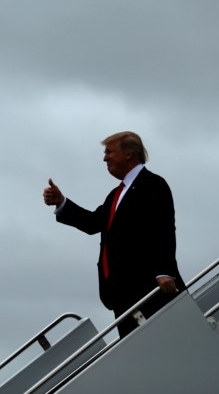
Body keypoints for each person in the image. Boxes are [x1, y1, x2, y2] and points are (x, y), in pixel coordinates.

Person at [43, 131, 185, 337]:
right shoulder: (116, 194)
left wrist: (164, 271)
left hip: (150, 289)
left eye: (109, 152)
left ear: (129, 154)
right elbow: (93, 223)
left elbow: (163, 228)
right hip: (122, 293)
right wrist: (62, 202)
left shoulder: (153, 184)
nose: (105, 157)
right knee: (137, 355)